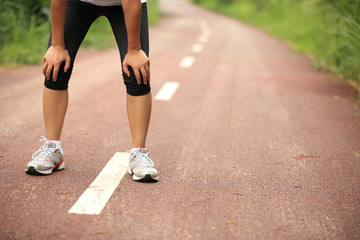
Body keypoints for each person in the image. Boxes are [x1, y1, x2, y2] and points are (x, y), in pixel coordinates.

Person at [25, 0, 159, 182]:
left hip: (125, 4)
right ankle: (52, 148)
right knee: (56, 69)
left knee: (137, 73)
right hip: (78, 2)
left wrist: (134, 50)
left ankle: (139, 154)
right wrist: (57, 46)